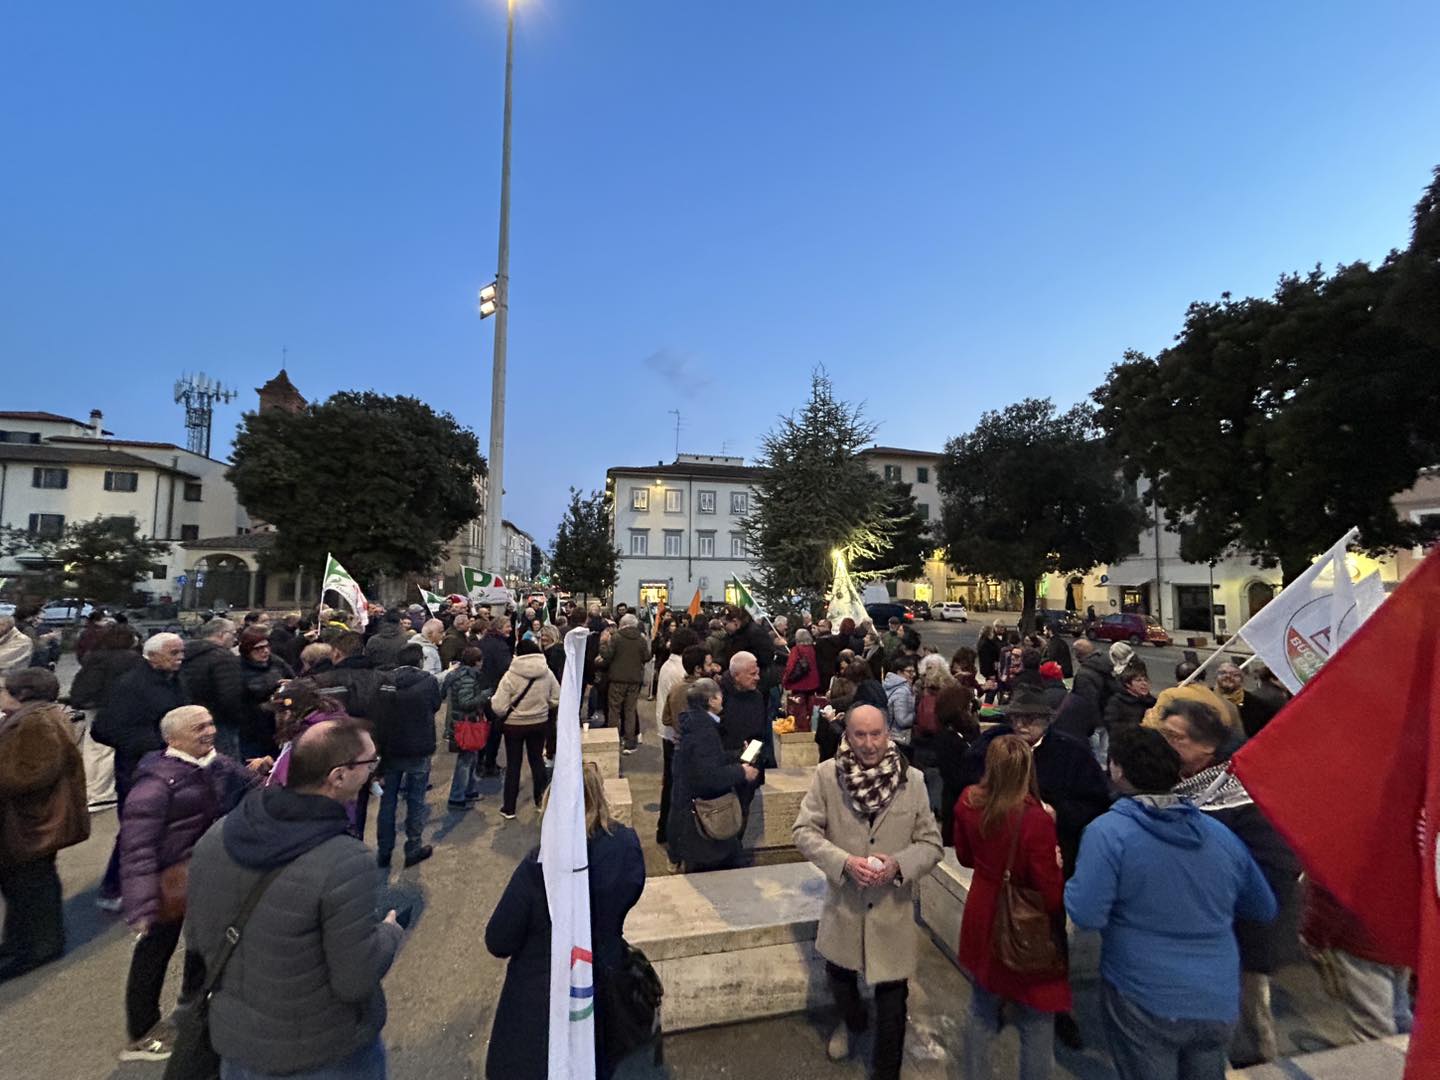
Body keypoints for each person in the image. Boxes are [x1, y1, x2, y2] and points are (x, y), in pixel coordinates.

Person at [186, 720, 405, 1079]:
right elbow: (354, 978)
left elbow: (196, 936)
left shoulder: (219, 833)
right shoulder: (345, 860)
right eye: (370, 764)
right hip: (323, 1051)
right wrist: (390, 933)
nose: (372, 772)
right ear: (338, 776)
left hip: (236, 1043)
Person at [1066, 727, 1277, 1080]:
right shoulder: (1218, 834)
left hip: (1143, 995)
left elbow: (1087, 913)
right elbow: (1263, 907)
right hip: (1217, 997)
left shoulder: (1108, 833)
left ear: (1117, 770)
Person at [792, 704, 942, 1080]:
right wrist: (842, 862)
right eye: (860, 735)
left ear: (888, 733)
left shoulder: (914, 780)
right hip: (845, 907)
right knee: (841, 980)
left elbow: (931, 844)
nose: (870, 744)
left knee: (893, 1002)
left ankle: (885, 1071)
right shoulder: (828, 776)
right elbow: (804, 832)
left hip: (892, 910)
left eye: (876, 734)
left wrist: (898, 865)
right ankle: (854, 1022)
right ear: (848, 734)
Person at [1162, 698, 1301, 1066]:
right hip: (1217, 931)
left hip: (1246, 931)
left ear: (1206, 745)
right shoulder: (1198, 781)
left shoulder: (1240, 790)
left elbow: (1277, 869)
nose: (1166, 744)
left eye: (1174, 737)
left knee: (1247, 1018)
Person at [485, 763, 646, 1080]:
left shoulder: (539, 868)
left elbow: (498, 940)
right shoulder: (625, 844)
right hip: (604, 983)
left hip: (542, 1001)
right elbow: (631, 891)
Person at [118, 705, 256, 1061]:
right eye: (199, 728)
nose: (210, 731)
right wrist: (141, 905)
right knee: (154, 952)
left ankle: (194, 1007)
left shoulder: (214, 763)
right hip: (171, 882)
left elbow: (250, 784)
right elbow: (136, 848)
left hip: (207, 874)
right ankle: (141, 1032)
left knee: (205, 942)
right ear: (173, 738)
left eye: (211, 723)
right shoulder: (156, 783)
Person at [953, 734, 1070, 1080]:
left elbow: (963, 856)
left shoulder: (968, 802)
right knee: (1036, 1018)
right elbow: (1049, 891)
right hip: (1022, 921)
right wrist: (1058, 865)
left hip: (983, 911)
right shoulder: (1037, 820)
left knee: (981, 1009)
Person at [958, 686, 1109, 879]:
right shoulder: (993, 744)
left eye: (1029, 719)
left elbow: (1096, 803)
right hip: (1001, 854)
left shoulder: (1072, 753)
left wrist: (1059, 814)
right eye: (1015, 718)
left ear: (1047, 721)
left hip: (1051, 854)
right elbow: (969, 780)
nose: (1020, 725)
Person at [0, 668, 88, 980]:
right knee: (24, 885)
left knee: (31, 886)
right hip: (32, 819)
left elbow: (30, 773)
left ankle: (37, 949)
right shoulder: (37, 716)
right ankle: (19, 943)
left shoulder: (35, 721)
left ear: (21, 694)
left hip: (34, 822)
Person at [92, 632, 189, 911]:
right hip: (138, 770)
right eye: (174, 653)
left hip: (172, 765)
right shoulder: (131, 685)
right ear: (153, 656)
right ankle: (114, 888)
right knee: (137, 831)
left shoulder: (174, 679)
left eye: (181, 652)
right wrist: (158, 742)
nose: (180, 658)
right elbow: (104, 729)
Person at [667, 678, 759, 872]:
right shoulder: (704, 730)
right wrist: (742, 771)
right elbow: (709, 776)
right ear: (711, 700)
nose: (722, 699)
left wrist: (735, 755)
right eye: (719, 695)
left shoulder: (695, 723)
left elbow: (706, 759)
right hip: (703, 821)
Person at [371, 643, 441, 868]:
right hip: (419, 747)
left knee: (388, 802)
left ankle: (384, 851)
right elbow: (435, 705)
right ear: (420, 660)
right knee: (416, 800)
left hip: (391, 748)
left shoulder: (385, 681)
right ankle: (413, 847)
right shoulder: (428, 681)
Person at [68, 623, 143, 812]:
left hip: (92, 707)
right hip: (116, 709)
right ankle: (102, 794)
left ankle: (92, 790)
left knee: (93, 750)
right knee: (107, 752)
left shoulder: (94, 657)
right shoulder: (131, 659)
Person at [490, 639, 562, 821]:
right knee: (537, 760)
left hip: (514, 726)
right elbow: (557, 697)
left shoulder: (510, 676)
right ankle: (540, 802)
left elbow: (498, 706)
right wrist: (543, 706)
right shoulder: (546, 673)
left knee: (514, 765)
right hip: (539, 723)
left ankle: (509, 808)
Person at [654, 629, 700, 845]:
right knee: (675, 786)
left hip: (668, 732)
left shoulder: (668, 665)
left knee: (670, 783)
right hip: (676, 735)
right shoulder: (679, 672)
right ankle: (669, 831)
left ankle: (664, 829)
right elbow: (681, 707)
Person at [180, 617, 246, 760]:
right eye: (233, 634)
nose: (235, 639)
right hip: (220, 722)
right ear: (222, 634)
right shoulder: (224, 657)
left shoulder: (184, 654)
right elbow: (230, 696)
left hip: (188, 719)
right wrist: (239, 718)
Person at [719, 651, 768, 822]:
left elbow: (759, 735)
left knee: (741, 815)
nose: (757, 678)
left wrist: (748, 761)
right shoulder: (717, 696)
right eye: (752, 674)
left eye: (758, 673)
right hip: (722, 768)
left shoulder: (757, 697)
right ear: (737, 676)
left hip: (747, 769)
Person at [442, 646, 489, 809]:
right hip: (465, 724)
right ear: (477, 662)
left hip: (461, 723)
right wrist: (484, 696)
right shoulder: (467, 679)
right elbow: (466, 702)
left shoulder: (457, 675)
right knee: (465, 760)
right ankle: (457, 797)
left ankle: (469, 790)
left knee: (470, 758)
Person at [237, 627, 292, 760]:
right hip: (252, 728)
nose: (265, 651)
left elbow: (293, 679)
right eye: (258, 648)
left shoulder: (277, 662)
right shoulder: (236, 668)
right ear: (248, 650)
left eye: (267, 646)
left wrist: (291, 686)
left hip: (278, 726)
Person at [601, 613, 650, 752]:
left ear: (622, 624)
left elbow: (607, 656)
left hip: (617, 679)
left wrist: (603, 643)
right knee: (630, 711)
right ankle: (630, 743)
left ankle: (613, 741)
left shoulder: (616, 637)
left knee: (614, 711)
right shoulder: (641, 639)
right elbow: (646, 657)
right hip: (634, 680)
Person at [1215, 661, 1278, 739]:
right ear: (1216, 677)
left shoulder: (1259, 706)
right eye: (1223, 673)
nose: (1228, 676)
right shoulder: (1205, 697)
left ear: (1242, 680)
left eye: (1235, 675)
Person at [1103, 660, 1156, 746]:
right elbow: (1113, 728)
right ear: (1128, 684)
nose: (1144, 684)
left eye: (1145, 680)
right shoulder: (1116, 702)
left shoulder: (1151, 702)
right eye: (1138, 681)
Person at [881, 654, 918, 764]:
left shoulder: (888, 686)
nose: (913, 675)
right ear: (899, 672)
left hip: (889, 737)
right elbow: (902, 720)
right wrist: (916, 715)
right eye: (909, 671)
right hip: (900, 738)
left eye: (914, 671)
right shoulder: (902, 691)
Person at [781, 627, 821, 728]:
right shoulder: (813, 649)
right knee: (811, 708)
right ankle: (811, 727)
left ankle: (801, 729)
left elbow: (790, 666)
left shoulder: (796, 649)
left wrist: (785, 680)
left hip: (798, 684)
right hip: (813, 683)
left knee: (799, 710)